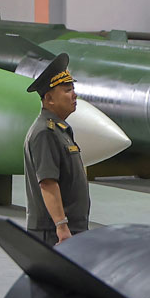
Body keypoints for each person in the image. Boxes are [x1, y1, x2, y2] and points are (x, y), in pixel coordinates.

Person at [23, 53, 90, 246]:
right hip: (53, 233)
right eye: (67, 90)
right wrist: (61, 226)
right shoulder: (45, 133)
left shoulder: (59, 130)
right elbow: (48, 182)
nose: (74, 95)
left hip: (70, 229)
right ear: (49, 98)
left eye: (73, 89)